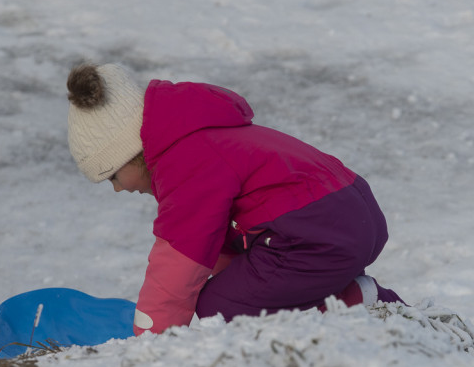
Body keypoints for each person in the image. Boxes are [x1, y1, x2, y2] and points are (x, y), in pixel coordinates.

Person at [66, 62, 403, 336]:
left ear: (129, 153)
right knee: (240, 289)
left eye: (112, 175)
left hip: (317, 230)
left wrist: (153, 339)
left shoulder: (184, 160)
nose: (117, 188)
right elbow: (222, 239)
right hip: (348, 213)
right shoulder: (206, 135)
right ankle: (359, 296)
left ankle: (355, 300)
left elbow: (179, 259)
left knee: (223, 307)